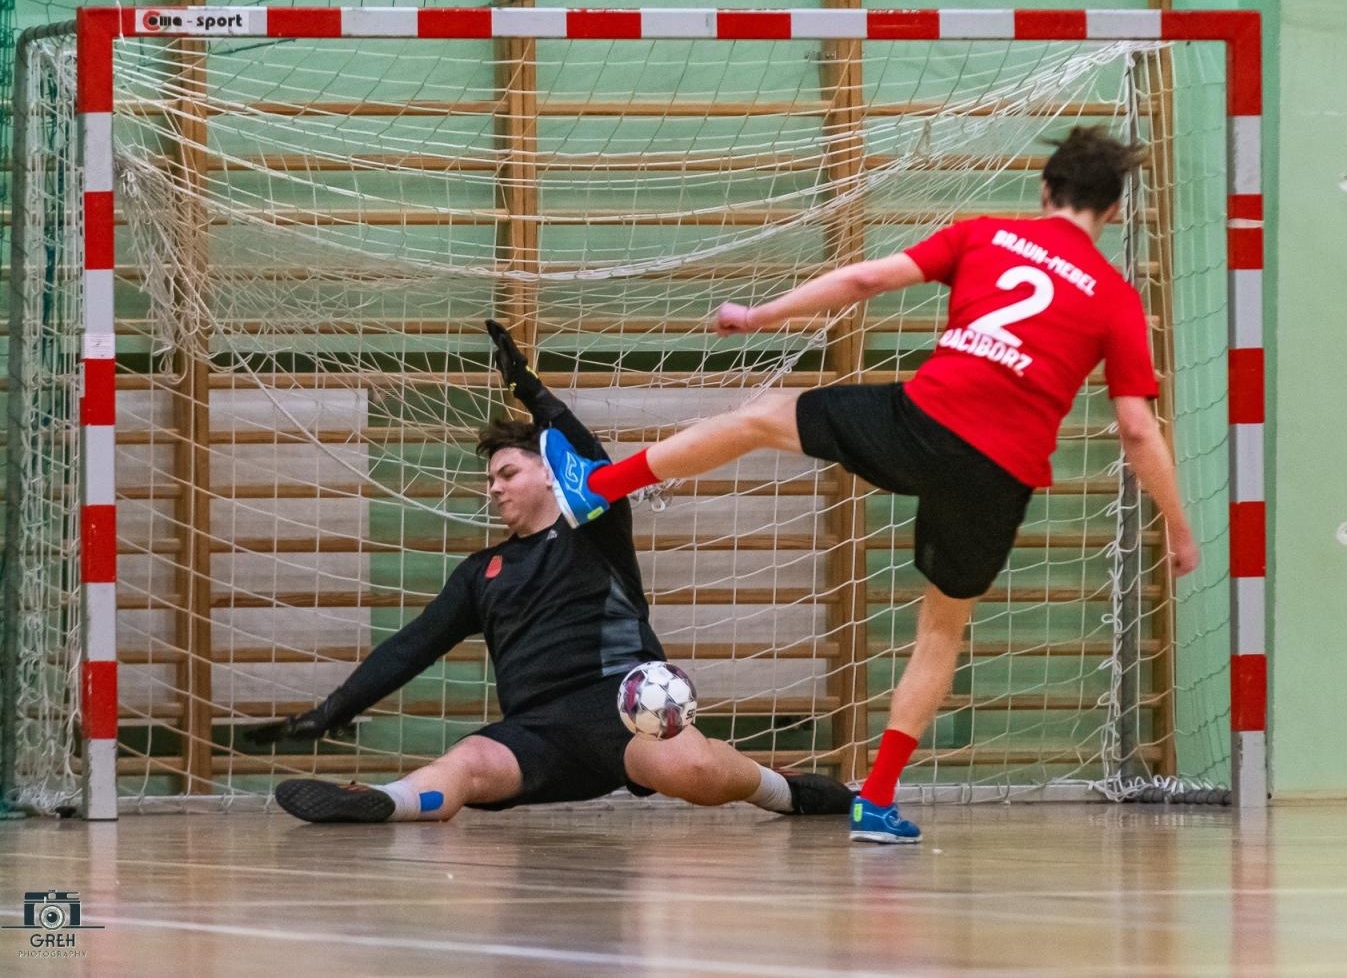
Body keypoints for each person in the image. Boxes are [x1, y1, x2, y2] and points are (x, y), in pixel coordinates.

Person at [539, 127, 1200, 844]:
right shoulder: (1113, 297)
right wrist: (1178, 524)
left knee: (763, 417)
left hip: (923, 422)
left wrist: (759, 315)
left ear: (1046, 189)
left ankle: (604, 482)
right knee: (942, 629)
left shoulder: (985, 235)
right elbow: (1137, 427)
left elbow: (861, 281)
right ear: (1112, 209)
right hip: (999, 472)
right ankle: (877, 800)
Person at [250, 321, 853, 823]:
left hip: (624, 715)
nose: (494, 488)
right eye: (489, 480)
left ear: (547, 473)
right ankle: (381, 801)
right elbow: (411, 646)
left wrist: (533, 393)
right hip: (535, 735)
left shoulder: (595, 524)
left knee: (694, 770)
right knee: (464, 768)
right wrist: (334, 710)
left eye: (507, 473)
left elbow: (589, 459)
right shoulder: (479, 572)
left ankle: (785, 791)